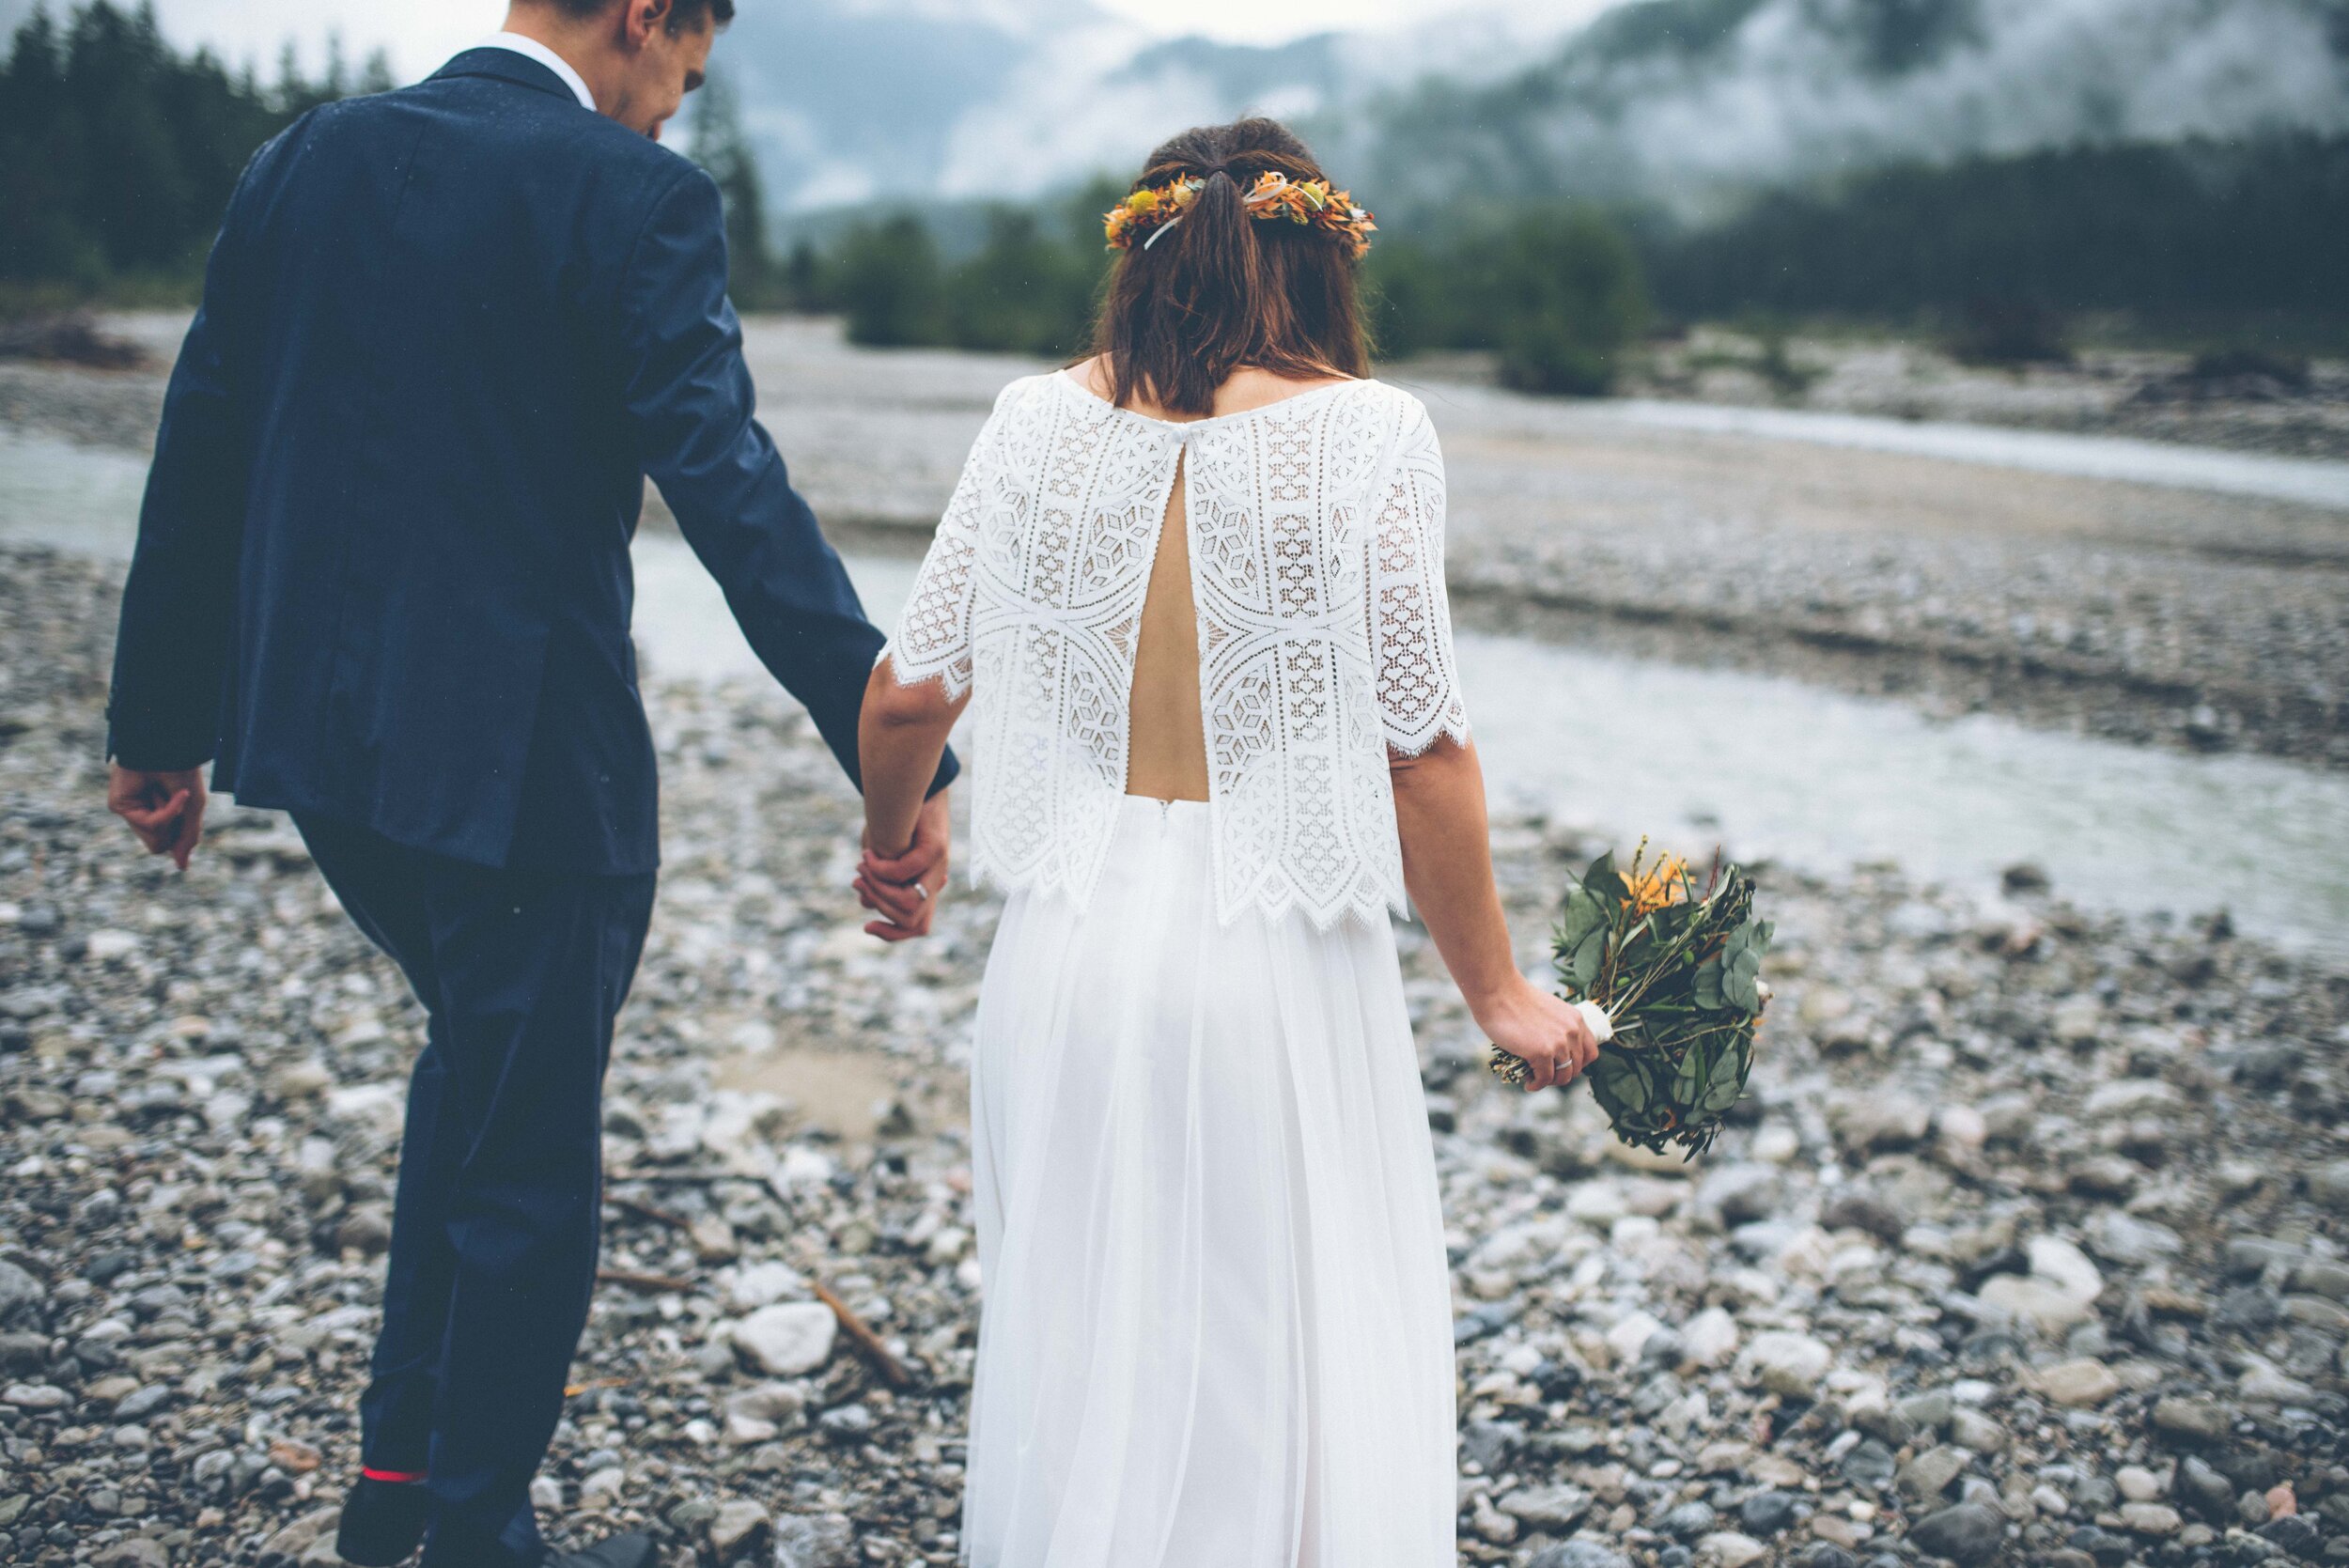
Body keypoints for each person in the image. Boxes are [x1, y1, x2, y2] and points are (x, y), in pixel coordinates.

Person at [101, 4, 956, 1564]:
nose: (666, 121)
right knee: (532, 1153)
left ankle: (396, 1492)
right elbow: (730, 487)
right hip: (529, 784)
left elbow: (203, 436)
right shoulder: (634, 199)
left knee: (479, 1075)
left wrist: (160, 724)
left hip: (329, 763)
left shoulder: (307, 157)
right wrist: (889, 727)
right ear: (647, 17)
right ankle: (478, 1529)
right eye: (679, 84)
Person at [852, 117, 1600, 1568]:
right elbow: (1424, 747)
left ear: (1139, 258)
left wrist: (897, 844)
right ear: (1316, 256)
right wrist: (1502, 999)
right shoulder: (1371, 431)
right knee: (1276, 1345)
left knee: (1079, 1329)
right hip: (1272, 964)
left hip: (1065, 957)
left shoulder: (1027, 421)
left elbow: (908, 693)